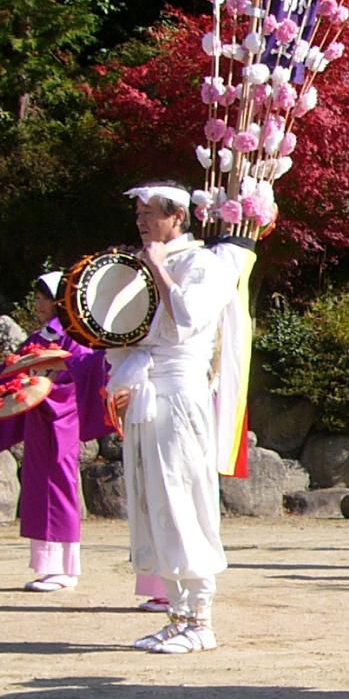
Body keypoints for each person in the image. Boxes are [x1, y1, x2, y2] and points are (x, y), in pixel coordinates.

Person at [105, 184, 251, 655]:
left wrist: (158, 267)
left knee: (183, 496)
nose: (143, 221)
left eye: (152, 213)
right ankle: (177, 615)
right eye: (139, 214)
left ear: (178, 218)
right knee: (154, 502)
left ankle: (201, 619)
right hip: (150, 391)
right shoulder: (147, 264)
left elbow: (187, 318)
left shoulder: (203, 265)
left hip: (182, 393)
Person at [0, 272, 105, 592]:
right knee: (38, 487)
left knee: (59, 485)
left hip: (61, 417)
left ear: (61, 300)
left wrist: (50, 375)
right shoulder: (41, 335)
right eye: (38, 297)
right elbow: (12, 368)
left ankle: (65, 568)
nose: (39, 303)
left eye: (45, 297)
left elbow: (87, 368)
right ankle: (47, 565)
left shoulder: (77, 334)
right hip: (40, 419)